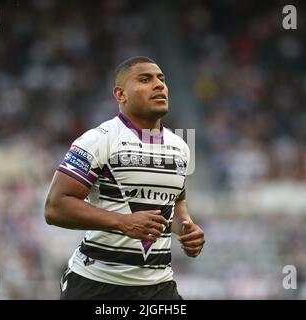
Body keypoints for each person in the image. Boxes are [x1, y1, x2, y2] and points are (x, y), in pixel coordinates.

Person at [44, 56, 205, 300]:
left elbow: (174, 202)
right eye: (145, 79)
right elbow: (55, 208)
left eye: (161, 79)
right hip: (97, 285)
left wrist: (185, 228)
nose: (159, 85)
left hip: (159, 287)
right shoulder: (98, 140)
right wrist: (122, 222)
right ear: (121, 94)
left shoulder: (181, 146)